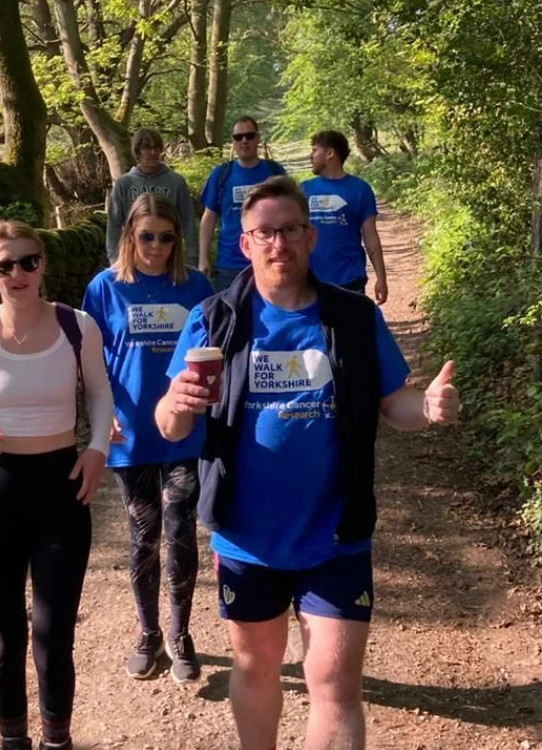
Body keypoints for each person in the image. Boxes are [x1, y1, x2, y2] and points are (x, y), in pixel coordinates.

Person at [154, 177, 461, 750]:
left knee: (336, 682)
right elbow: (169, 425)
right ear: (244, 244)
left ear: (309, 236)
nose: (279, 243)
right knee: (256, 669)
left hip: (336, 534)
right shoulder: (214, 318)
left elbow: (394, 405)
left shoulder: (352, 317)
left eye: (290, 229)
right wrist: (174, 404)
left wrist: (428, 407)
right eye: (264, 232)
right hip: (247, 539)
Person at [0, 220, 115, 750]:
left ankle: (56, 740)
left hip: (61, 492)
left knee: (53, 634)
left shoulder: (77, 327)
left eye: (29, 261)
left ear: (43, 264)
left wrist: (97, 450)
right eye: (5, 265)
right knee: (5, 637)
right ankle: (12, 740)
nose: (18, 273)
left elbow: (100, 397)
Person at [82, 194, 215, 683]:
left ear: (177, 239)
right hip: (130, 430)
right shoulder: (104, 288)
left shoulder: (195, 287)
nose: (156, 247)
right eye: (146, 236)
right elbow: (89, 361)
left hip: (184, 430)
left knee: (180, 528)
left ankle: (181, 634)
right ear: (129, 236)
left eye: (166, 237)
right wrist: (100, 415)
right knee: (144, 532)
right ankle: (148, 633)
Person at [198, 116, 287, 292]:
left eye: (249, 136)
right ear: (232, 141)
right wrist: (203, 258)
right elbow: (209, 217)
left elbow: (289, 215)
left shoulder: (275, 172)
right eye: (238, 137)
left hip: (269, 260)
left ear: (258, 139)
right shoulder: (221, 174)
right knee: (229, 317)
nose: (244, 141)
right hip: (228, 265)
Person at [301, 130, 388, 303]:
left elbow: (371, 236)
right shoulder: (302, 190)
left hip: (350, 277)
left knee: (351, 330)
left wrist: (381, 278)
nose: (310, 156)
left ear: (330, 153)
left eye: (314, 150)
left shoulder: (360, 189)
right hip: (311, 280)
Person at [106, 128, 199, 267]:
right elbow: (113, 224)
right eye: (146, 147)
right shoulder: (124, 184)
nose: (153, 152)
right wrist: (114, 258)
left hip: (168, 254)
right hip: (133, 255)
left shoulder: (176, 182)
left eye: (156, 148)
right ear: (137, 151)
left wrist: (193, 258)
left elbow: (188, 221)